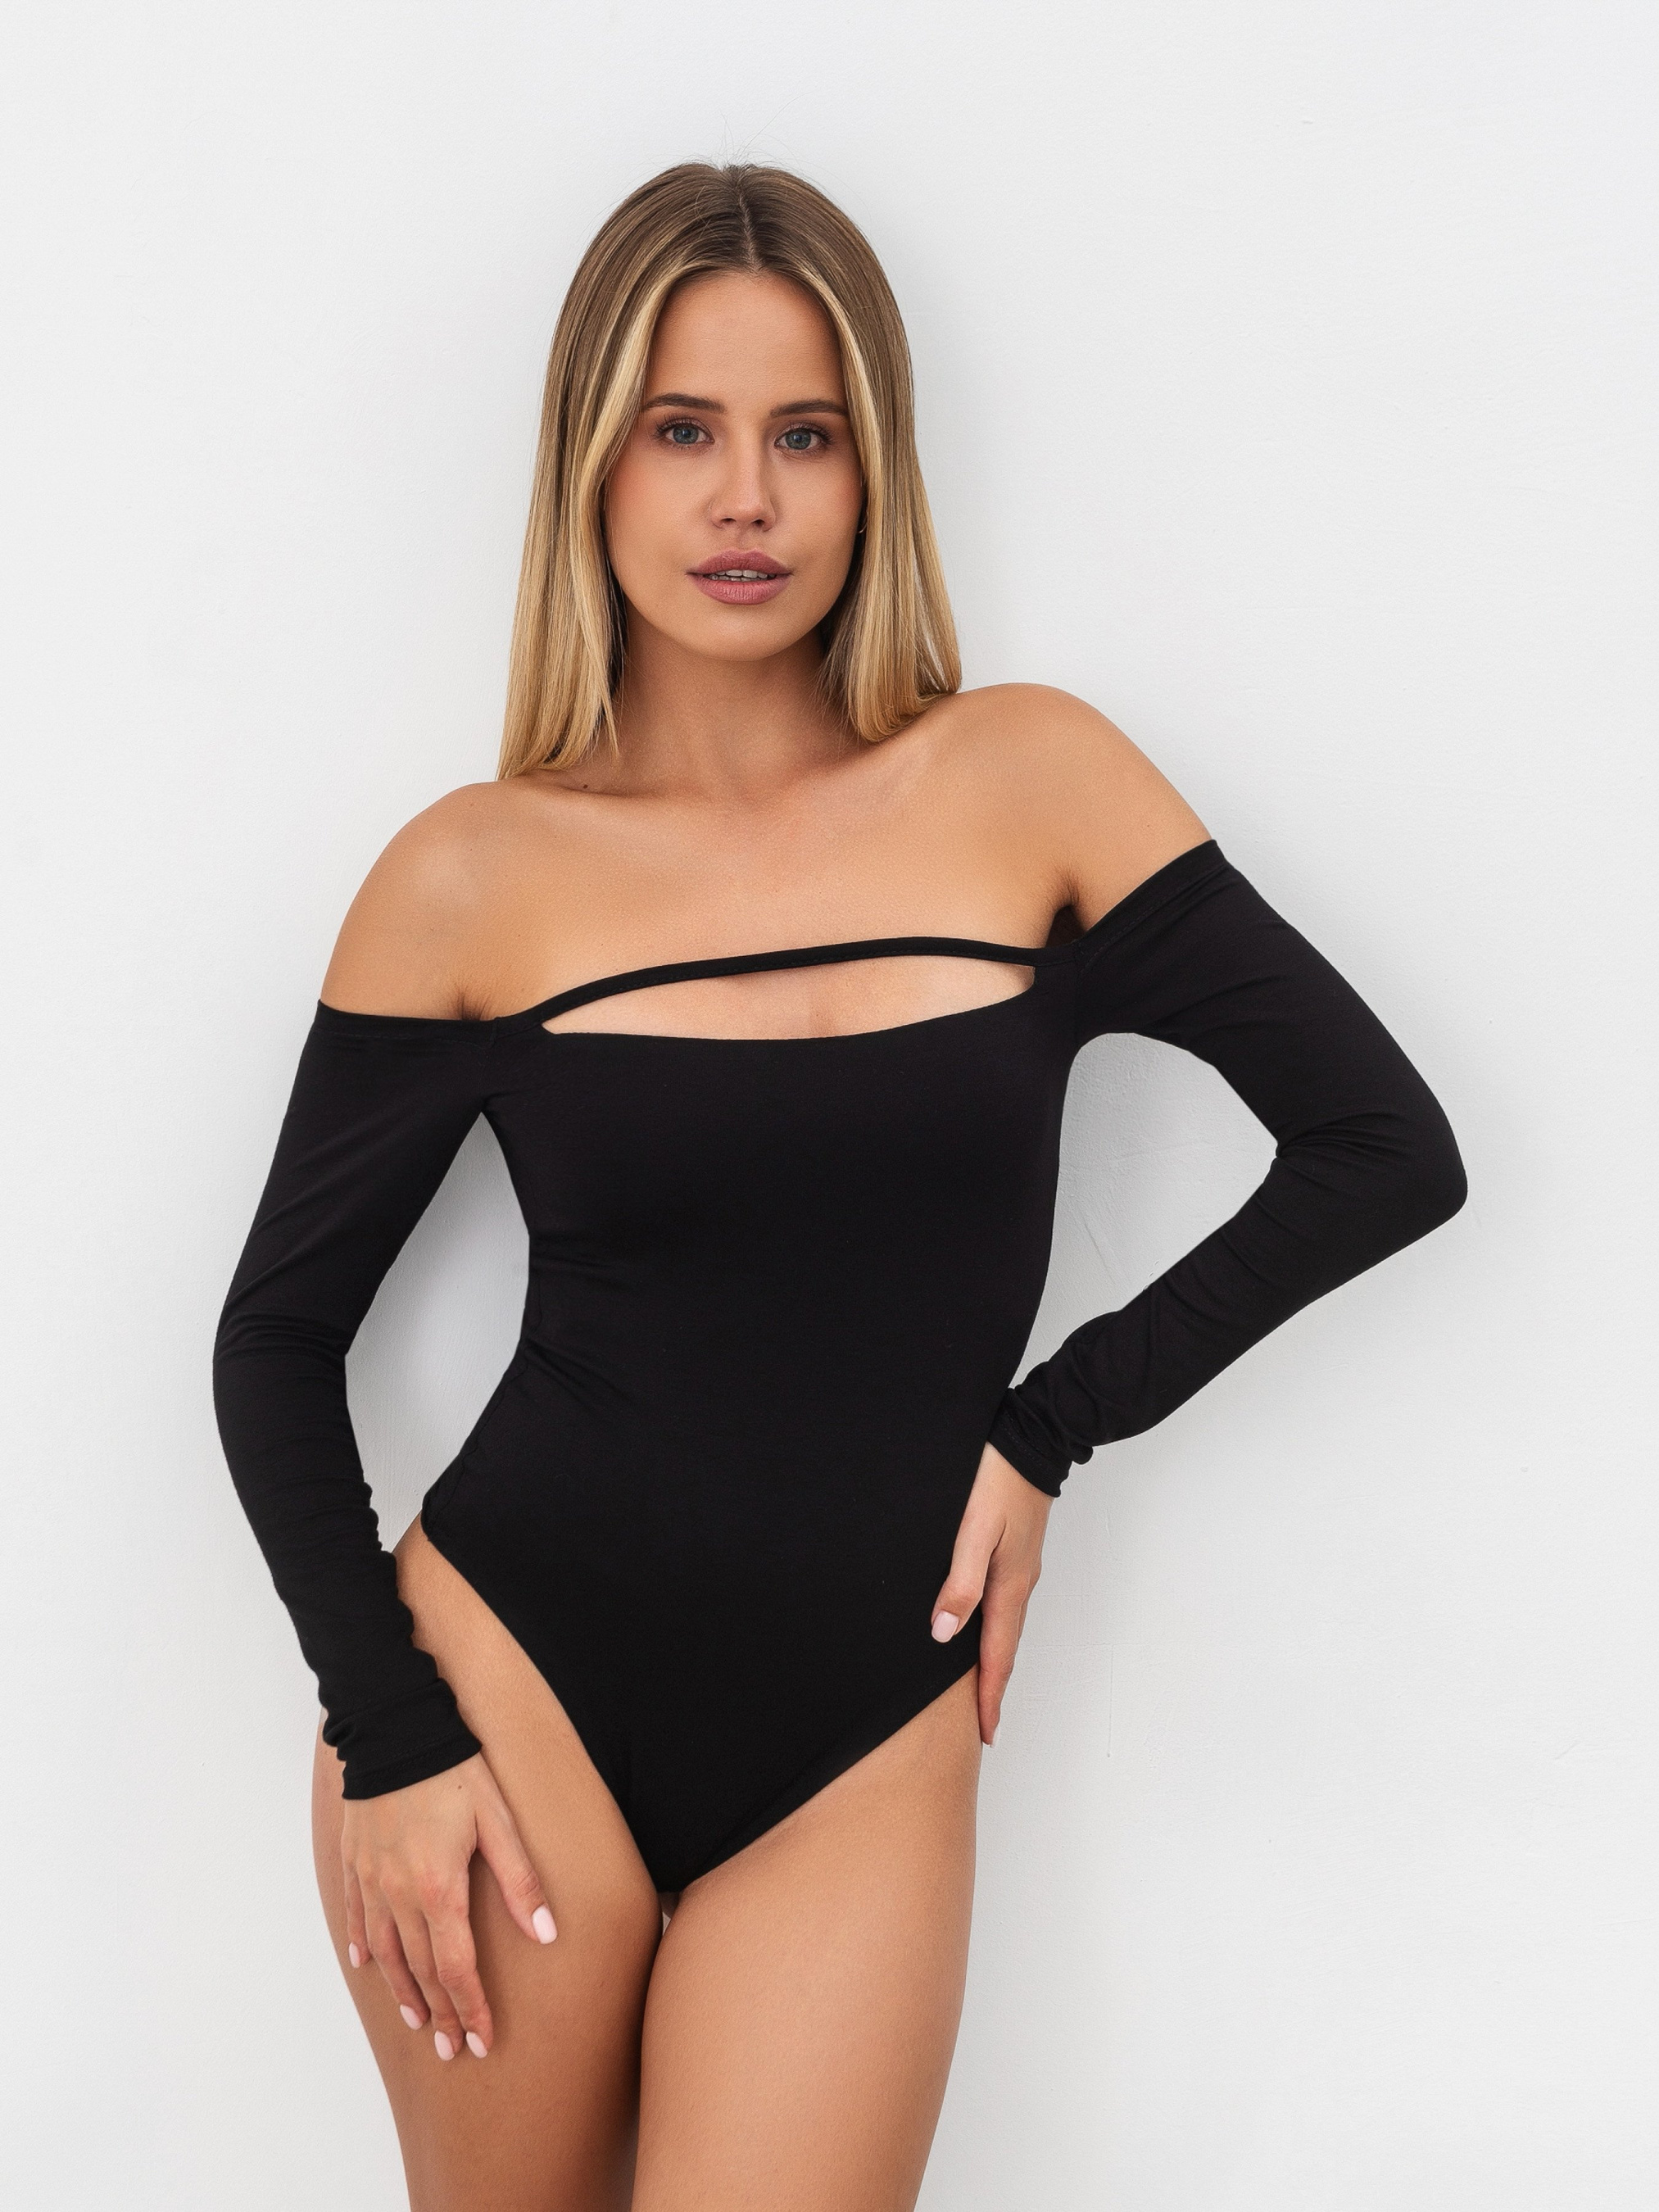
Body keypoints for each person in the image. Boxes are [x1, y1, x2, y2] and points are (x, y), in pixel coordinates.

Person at [212, 161, 1466, 2212]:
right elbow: (273, 1342)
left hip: (864, 1724)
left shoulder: (1031, 780)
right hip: (505, 1695)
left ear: (873, 469)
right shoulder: (470, 874)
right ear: (591, 462)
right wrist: (390, 1736)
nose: (746, 501)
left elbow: (1380, 1147)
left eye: (805, 436)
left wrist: (1054, 1425)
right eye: (680, 431)